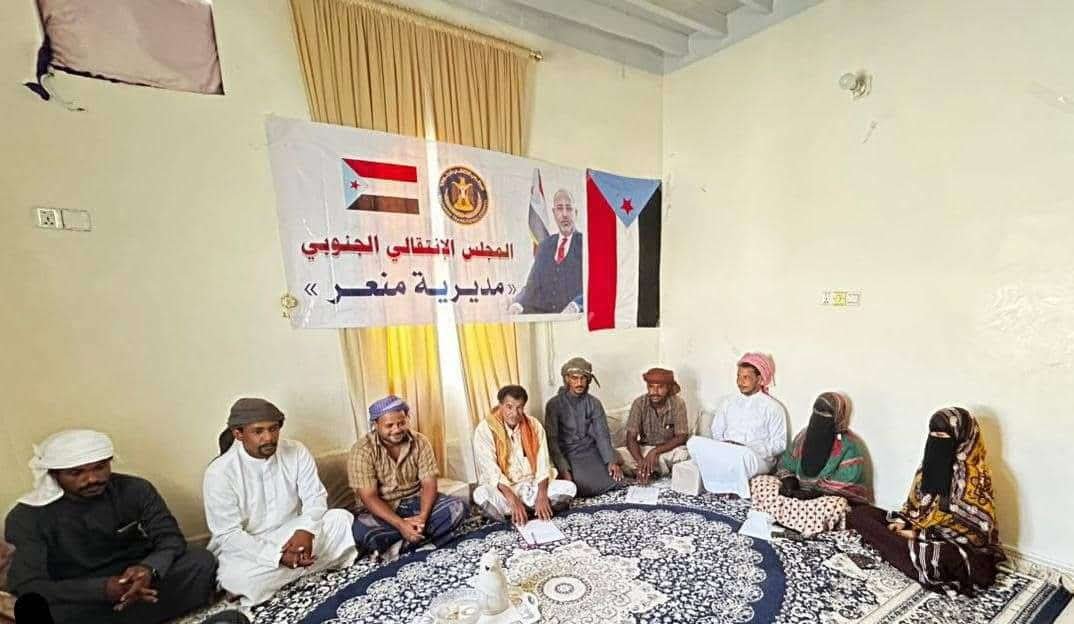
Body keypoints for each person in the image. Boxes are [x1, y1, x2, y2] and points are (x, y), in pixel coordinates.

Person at [4, 430, 216, 624]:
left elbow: (170, 538)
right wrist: (102, 590)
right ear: (53, 474)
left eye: (100, 467)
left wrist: (149, 568)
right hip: (81, 589)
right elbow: (29, 583)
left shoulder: (135, 489)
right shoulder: (26, 516)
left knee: (200, 561)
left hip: (137, 574)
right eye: (76, 473)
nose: (92, 479)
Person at [203, 398, 356, 607]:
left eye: (273, 429)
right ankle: (304, 566)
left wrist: (306, 530)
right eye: (258, 431)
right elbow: (228, 534)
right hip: (250, 545)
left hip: (293, 532)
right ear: (238, 434)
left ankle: (281, 576)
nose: (268, 438)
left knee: (341, 519)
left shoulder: (296, 450)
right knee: (238, 577)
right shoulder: (219, 473)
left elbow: (315, 497)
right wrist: (276, 556)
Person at [848, 407, 1004, 596]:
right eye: (933, 434)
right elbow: (914, 507)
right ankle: (897, 547)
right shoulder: (929, 464)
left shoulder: (975, 476)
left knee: (934, 558)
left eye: (943, 436)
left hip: (955, 546)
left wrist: (916, 535)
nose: (936, 440)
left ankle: (895, 547)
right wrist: (902, 522)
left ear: (962, 438)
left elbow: (976, 535)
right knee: (860, 514)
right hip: (918, 527)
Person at [348, 395, 467, 558]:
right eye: (389, 425)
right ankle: (423, 539)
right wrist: (401, 524)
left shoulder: (420, 441)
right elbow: (369, 497)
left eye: (401, 423)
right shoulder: (362, 450)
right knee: (360, 531)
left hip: (415, 502)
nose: (397, 429)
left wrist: (422, 518)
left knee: (457, 507)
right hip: (383, 509)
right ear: (375, 424)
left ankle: (402, 545)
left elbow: (429, 484)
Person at [749, 392, 870, 536]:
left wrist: (811, 494)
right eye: (817, 412)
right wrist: (789, 481)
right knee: (760, 482)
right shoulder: (804, 435)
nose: (820, 419)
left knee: (836, 506)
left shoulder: (849, 445)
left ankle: (785, 518)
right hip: (796, 494)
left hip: (823, 499)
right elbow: (786, 464)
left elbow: (845, 485)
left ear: (838, 417)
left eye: (827, 415)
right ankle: (794, 520)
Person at [686, 352, 787, 498]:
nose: (740, 382)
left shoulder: (773, 408)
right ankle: (725, 474)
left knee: (741, 456)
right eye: (738, 376)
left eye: (746, 377)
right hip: (727, 450)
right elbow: (716, 430)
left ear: (760, 379)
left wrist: (748, 447)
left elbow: (780, 444)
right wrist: (726, 445)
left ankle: (728, 482)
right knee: (693, 442)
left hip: (754, 457)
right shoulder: (728, 402)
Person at [472, 385, 577, 524]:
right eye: (509, 407)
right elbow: (492, 471)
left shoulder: (534, 425)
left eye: (519, 407)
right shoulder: (485, 429)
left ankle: (524, 511)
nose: (514, 413)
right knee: (481, 494)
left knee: (569, 488)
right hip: (505, 491)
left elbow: (543, 464)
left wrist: (541, 495)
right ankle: (525, 510)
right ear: (500, 405)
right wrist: (513, 500)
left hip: (531, 487)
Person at [544, 357, 623, 497]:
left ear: (588, 380)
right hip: (569, 454)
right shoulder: (554, 405)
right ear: (567, 379)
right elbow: (552, 441)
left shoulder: (594, 403)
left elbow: (602, 435)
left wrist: (611, 461)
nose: (579, 383)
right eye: (574, 378)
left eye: (583, 378)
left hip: (590, 449)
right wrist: (563, 469)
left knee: (615, 477)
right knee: (581, 486)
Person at [509, 189, 584, 315]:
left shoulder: (586, 245)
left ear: (575, 213)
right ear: (554, 213)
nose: (564, 214)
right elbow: (532, 286)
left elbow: (596, 287)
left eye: (569, 208)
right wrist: (518, 303)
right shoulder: (545, 247)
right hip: (548, 321)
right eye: (559, 209)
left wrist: (577, 304)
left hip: (577, 321)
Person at [616, 368, 690, 484]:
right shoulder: (639, 403)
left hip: (666, 450)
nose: (655, 392)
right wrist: (641, 462)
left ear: (668, 388)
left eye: (660, 387)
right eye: (651, 386)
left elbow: (681, 437)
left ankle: (647, 471)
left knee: (684, 454)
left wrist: (655, 452)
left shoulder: (678, 403)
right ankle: (648, 470)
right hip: (644, 450)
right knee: (617, 455)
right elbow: (631, 438)